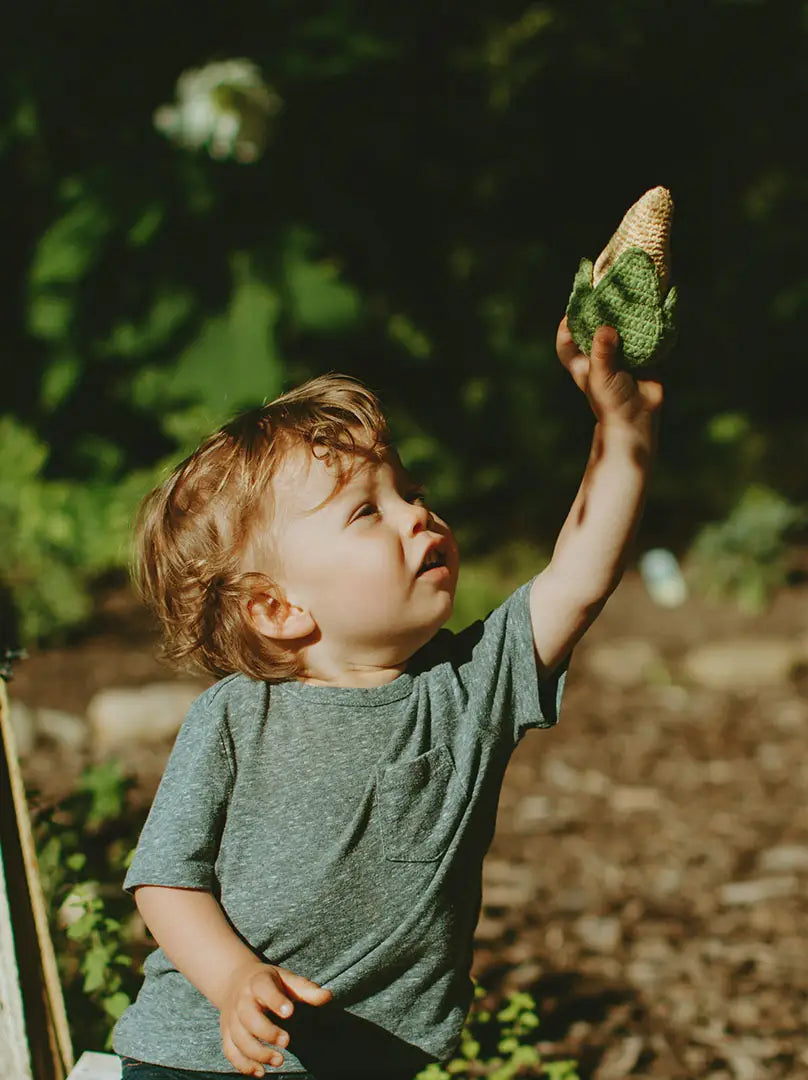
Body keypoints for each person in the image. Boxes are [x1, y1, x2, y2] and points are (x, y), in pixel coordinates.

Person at [113, 318, 662, 1080]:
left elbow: (578, 576)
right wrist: (234, 980)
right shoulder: (235, 717)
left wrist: (621, 432)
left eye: (410, 491)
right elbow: (166, 879)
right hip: (199, 1056)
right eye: (367, 511)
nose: (416, 514)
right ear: (277, 608)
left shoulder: (472, 686)